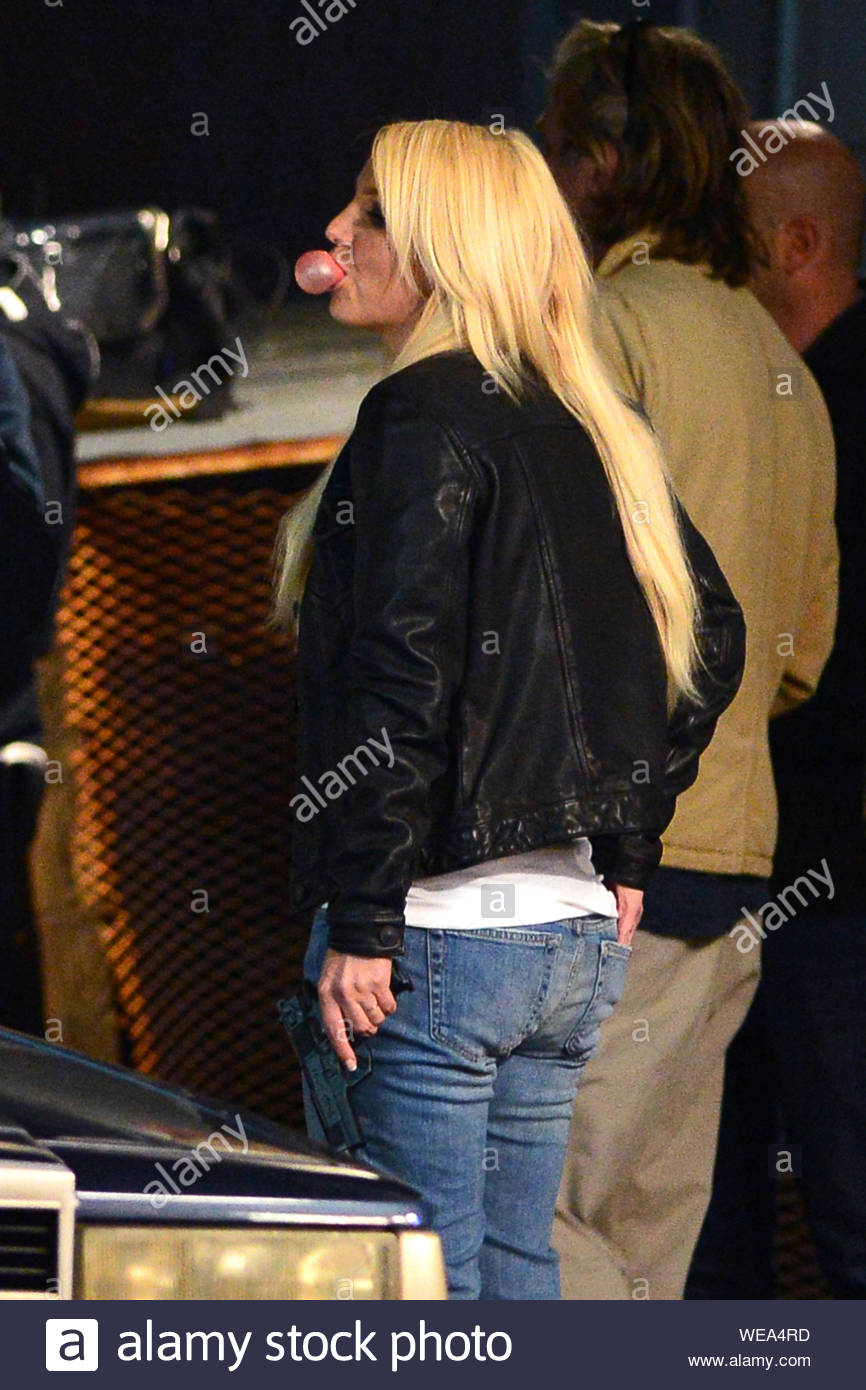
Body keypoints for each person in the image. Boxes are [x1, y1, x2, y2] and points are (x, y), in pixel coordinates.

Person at [270, 118, 745, 1300]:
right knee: (518, 1274)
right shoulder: (587, 419)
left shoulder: (419, 416)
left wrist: (364, 915)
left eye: (373, 213)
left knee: (419, 1285)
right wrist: (622, 847)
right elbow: (710, 639)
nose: (335, 234)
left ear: (446, 246)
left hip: (433, 939)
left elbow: (402, 677)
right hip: (567, 936)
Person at [536, 20, 839, 1299]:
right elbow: (798, 657)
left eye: (556, 147)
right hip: (727, 870)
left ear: (603, 163)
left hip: (600, 868)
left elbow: (541, 608)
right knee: (646, 1256)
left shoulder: (601, 330)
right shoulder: (779, 365)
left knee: (540, 1228)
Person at [687, 122, 866, 1300]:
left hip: (828, 883)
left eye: (725, 226)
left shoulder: (828, 400)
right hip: (736, 868)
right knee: (711, 1224)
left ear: (797, 243)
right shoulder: (750, 390)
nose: (700, 252)